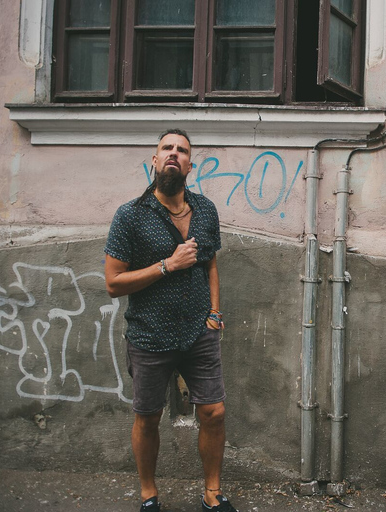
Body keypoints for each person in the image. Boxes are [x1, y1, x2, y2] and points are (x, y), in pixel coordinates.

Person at [105, 129, 236, 512]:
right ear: (154, 161)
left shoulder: (206, 210)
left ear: (190, 166)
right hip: (149, 335)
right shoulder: (130, 216)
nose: (174, 154)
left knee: (214, 411)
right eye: (167, 149)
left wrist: (214, 313)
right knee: (148, 417)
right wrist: (167, 265)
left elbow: (210, 262)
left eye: (182, 150)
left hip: (199, 331)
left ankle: (212, 492)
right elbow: (113, 284)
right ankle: (149, 494)